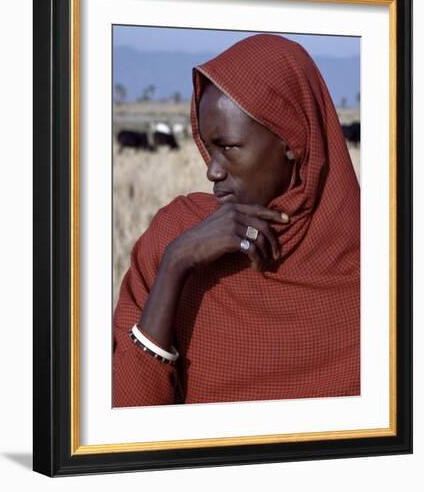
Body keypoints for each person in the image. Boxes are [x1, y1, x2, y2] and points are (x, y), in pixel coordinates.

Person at [112, 33, 360, 407]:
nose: (211, 171)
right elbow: (125, 416)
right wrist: (175, 266)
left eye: (228, 147)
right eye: (208, 149)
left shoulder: (381, 259)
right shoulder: (176, 235)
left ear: (292, 141)